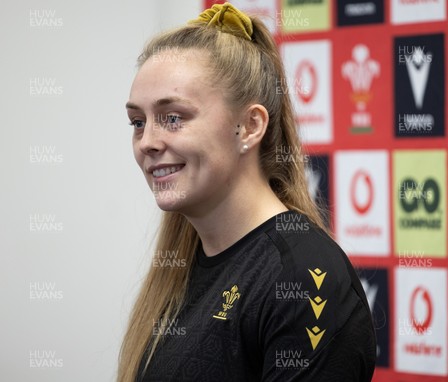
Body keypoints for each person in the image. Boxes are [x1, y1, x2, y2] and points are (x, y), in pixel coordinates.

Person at [119, 3, 376, 381]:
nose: (148, 142)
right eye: (138, 122)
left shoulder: (305, 278)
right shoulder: (180, 267)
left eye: (173, 117)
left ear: (250, 126)